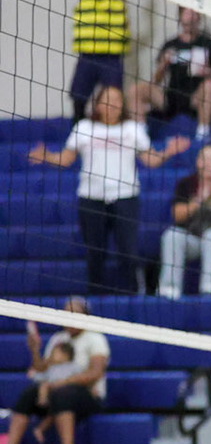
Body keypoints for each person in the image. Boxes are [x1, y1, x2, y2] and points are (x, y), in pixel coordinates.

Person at [28, 85, 189, 294]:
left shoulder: (132, 129)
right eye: (108, 99)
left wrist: (168, 151)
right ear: (98, 104)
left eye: (117, 100)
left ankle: (133, 295)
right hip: (91, 198)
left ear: (122, 105)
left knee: (128, 252)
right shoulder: (84, 127)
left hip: (125, 197)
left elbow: (151, 159)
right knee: (95, 253)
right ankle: (95, 299)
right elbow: (65, 159)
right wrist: (46, 156)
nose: (112, 104)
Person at [5, 300, 109, 444]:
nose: (69, 318)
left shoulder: (95, 338)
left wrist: (64, 382)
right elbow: (42, 368)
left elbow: (95, 373)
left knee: (62, 393)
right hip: (54, 391)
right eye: (66, 314)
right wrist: (34, 350)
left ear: (86, 317)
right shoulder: (58, 339)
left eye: (74, 314)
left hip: (86, 396)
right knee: (28, 394)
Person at [156, 143, 211, 299]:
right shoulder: (186, 184)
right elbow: (176, 215)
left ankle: (210, 289)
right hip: (193, 240)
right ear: (197, 162)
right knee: (172, 235)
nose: (207, 163)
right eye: (204, 158)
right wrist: (196, 203)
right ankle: (168, 290)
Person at [135, 7, 211, 142]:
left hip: (196, 98)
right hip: (171, 98)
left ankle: (202, 134)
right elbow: (157, 80)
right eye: (187, 13)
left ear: (199, 17)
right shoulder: (171, 44)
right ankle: (139, 134)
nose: (191, 17)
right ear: (180, 17)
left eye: (194, 13)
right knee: (138, 88)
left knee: (209, 85)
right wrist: (163, 65)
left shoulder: (209, 44)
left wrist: (208, 71)